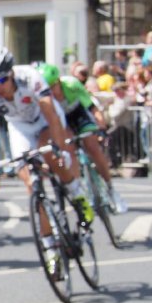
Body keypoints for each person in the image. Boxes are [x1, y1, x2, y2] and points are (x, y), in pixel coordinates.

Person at [0, 49, 93, 269]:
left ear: (11, 74)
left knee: (49, 153)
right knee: (31, 184)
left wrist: (61, 150)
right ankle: (49, 246)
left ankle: (77, 194)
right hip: (19, 126)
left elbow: (53, 117)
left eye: (2, 80)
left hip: (45, 119)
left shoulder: (30, 78)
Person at [37, 63, 127, 213]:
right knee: (69, 149)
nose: (51, 92)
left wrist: (101, 127)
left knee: (92, 147)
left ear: (58, 82)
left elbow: (92, 108)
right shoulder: (44, 96)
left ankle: (111, 189)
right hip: (62, 121)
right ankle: (79, 191)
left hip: (78, 114)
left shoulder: (71, 85)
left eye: (53, 87)